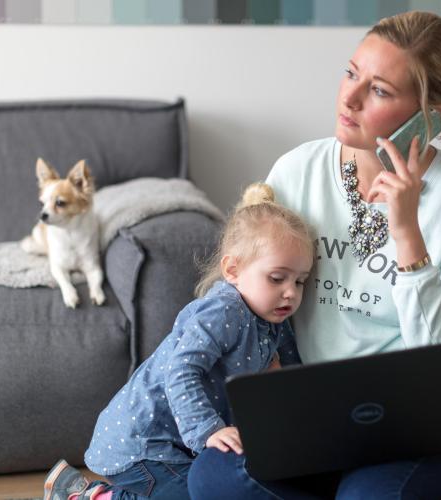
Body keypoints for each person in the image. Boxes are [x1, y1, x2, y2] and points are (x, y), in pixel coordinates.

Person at [187, 10, 441, 500]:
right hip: (314, 407)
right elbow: (249, 297)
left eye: (379, 90)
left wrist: (407, 234)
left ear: (429, 115)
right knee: (211, 478)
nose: (348, 98)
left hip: (416, 416)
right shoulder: (296, 172)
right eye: (351, 73)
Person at [42, 183, 314, 500]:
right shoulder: (224, 310)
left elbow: (294, 377)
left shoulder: (275, 320)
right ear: (233, 269)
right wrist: (208, 430)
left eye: (300, 281)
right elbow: (181, 371)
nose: (291, 292)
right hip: (144, 443)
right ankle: (89, 496)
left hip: (178, 446)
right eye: (277, 278)